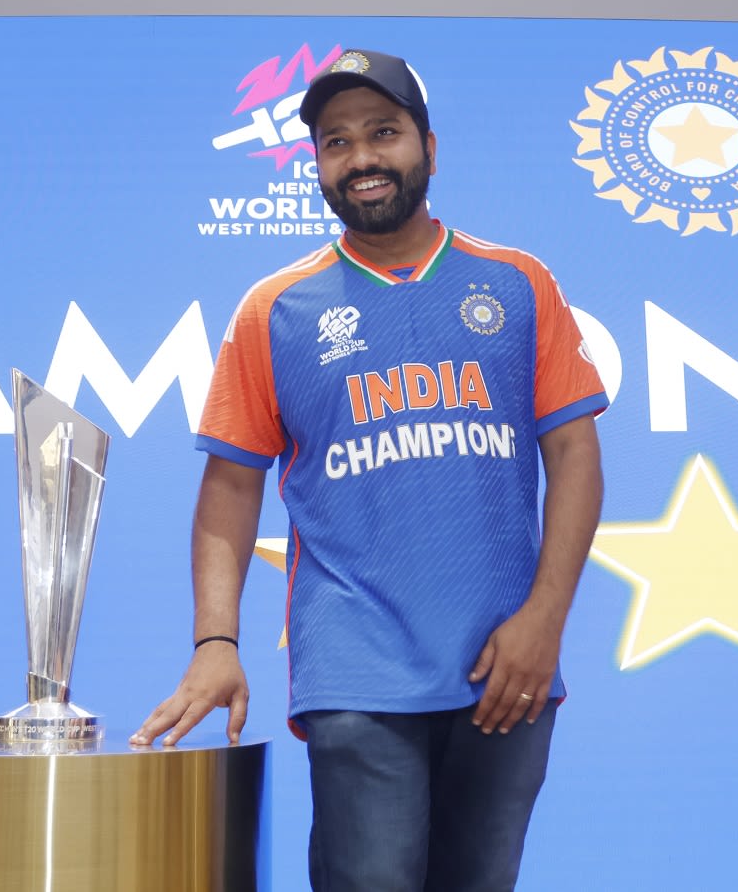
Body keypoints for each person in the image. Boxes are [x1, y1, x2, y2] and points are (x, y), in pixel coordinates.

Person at [132, 48, 606, 892]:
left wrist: (545, 620)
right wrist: (215, 641)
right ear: (316, 164)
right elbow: (231, 488)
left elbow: (574, 454)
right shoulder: (275, 309)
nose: (361, 159)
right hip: (356, 665)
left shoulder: (519, 283)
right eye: (336, 142)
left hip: (508, 666)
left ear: (428, 145)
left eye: (382, 133)